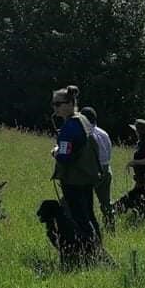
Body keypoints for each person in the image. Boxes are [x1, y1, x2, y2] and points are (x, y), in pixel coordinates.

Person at [50, 85, 103, 264]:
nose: (55, 108)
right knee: (89, 215)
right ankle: (98, 248)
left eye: (58, 104)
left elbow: (64, 157)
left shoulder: (69, 128)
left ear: (70, 103)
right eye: (53, 104)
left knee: (79, 218)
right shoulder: (83, 120)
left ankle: (91, 254)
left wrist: (55, 152)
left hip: (73, 179)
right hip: (87, 177)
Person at [80, 106, 114, 232]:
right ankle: (111, 228)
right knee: (106, 203)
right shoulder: (103, 133)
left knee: (81, 201)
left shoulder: (86, 134)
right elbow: (109, 152)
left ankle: (85, 230)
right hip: (107, 168)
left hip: (92, 171)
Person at [127, 119, 145, 193]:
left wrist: (135, 162)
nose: (135, 132)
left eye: (136, 130)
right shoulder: (141, 142)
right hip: (140, 176)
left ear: (138, 131)